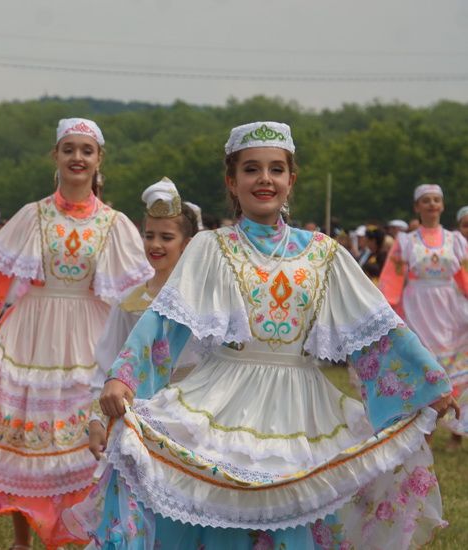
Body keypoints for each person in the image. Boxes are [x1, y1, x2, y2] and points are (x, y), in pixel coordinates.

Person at [72, 122, 457, 549]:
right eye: (251, 169)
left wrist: (427, 381)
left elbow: (379, 330)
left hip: (302, 409)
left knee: (296, 518)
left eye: (276, 169)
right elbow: (164, 323)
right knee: (221, 519)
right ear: (231, 182)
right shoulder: (210, 248)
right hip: (223, 401)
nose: (264, 179)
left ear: (291, 180)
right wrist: (122, 377)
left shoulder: (324, 254)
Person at [0, 117, 153, 549]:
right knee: (24, 432)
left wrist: (143, 350)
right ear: (56, 157)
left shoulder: (116, 224)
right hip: (31, 332)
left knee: (87, 438)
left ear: (99, 159)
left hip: (90, 334)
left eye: (86, 150)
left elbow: (135, 295)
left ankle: (80, 533)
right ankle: (22, 539)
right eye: (69, 149)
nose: (77, 158)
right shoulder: (33, 215)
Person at [87, 178, 198, 460]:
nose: (156, 244)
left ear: (187, 244)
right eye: (149, 235)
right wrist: (96, 420)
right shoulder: (130, 302)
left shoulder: (202, 304)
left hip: (193, 417)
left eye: (166, 237)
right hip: (139, 415)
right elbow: (108, 363)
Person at [379, 184, 468, 447]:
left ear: (442, 206)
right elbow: (392, 279)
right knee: (423, 367)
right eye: (426, 201)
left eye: (436, 200)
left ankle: (456, 430)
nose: (431, 205)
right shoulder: (406, 241)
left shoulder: (456, 241)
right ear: (417, 206)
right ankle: (423, 432)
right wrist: (386, 310)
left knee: (455, 367)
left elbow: (463, 275)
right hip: (418, 307)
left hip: (449, 310)